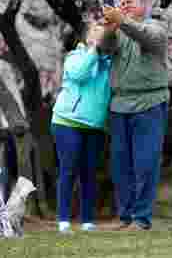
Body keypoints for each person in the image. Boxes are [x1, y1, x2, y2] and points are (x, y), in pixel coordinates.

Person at [102, 0, 168, 231]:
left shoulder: (156, 28)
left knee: (145, 163)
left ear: (144, 4)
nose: (125, 5)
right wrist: (109, 29)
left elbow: (144, 36)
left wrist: (123, 21)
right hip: (120, 105)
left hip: (149, 104)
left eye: (129, 2)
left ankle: (141, 218)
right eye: (122, 2)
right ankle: (125, 216)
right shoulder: (119, 30)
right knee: (120, 165)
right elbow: (104, 49)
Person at [51, 23, 112, 233]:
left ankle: (87, 220)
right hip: (67, 121)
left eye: (103, 36)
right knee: (69, 170)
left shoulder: (109, 64)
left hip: (95, 126)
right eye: (96, 35)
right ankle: (64, 219)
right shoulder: (75, 58)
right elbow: (79, 74)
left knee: (89, 173)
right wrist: (93, 51)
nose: (100, 39)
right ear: (87, 39)